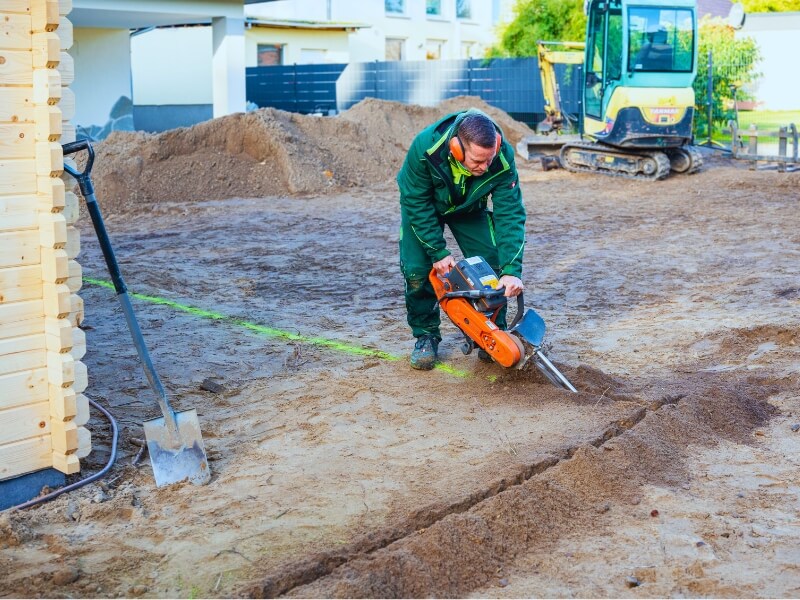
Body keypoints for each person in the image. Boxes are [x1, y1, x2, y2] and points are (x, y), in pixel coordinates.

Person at [397, 108, 527, 370]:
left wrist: (512, 270)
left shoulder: (501, 158)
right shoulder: (425, 148)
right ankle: (426, 335)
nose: (485, 167)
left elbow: (510, 212)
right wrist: (437, 252)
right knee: (417, 271)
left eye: (488, 160)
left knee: (491, 264)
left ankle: (492, 334)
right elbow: (415, 200)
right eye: (478, 162)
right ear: (456, 149)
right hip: (426, 207)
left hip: (469, 208)